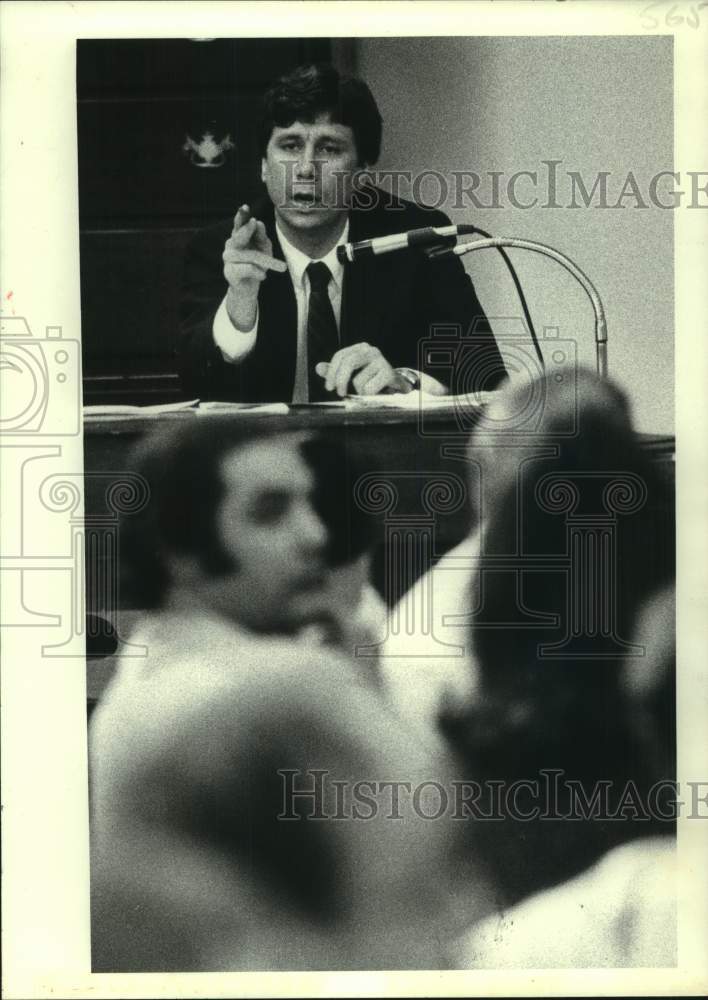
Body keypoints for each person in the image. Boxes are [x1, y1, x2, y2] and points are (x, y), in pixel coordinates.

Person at [89, 418, 493, 970]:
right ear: (178, 548)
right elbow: (441, 866)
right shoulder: (281, 688)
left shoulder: (143, 675)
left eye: (308, 504)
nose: (315, 536)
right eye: (270, 512)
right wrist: (366, 691)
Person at [178, 62, 507, 403]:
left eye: (329, 149)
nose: (305, 169)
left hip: (382, 454)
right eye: (290, 146)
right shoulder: (223, 249)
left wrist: (405, 382)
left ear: (362, 172)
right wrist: (240, 304)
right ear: (263, 165)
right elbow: (195, 389)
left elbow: (487, 376)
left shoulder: (416, 238)